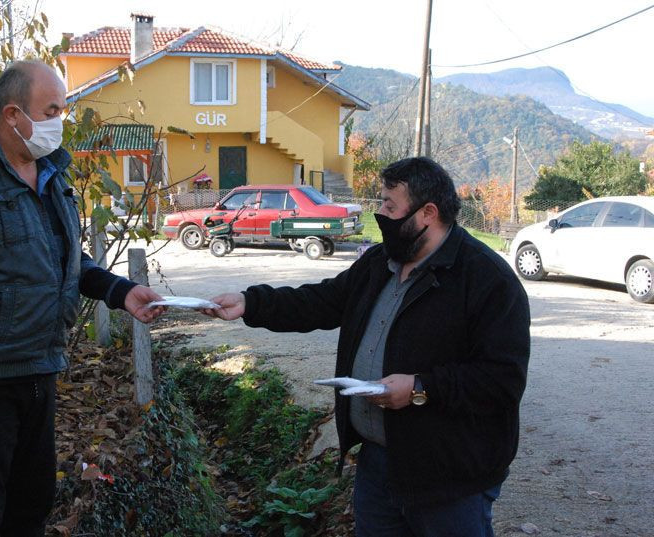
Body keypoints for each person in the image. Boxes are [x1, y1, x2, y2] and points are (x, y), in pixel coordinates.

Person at [0, 60, 165, 536]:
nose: (59, 121)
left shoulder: (49, 174)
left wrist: (121, 292)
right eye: (50, 110)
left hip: (39, 371)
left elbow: (65, 259)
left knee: (31, 506)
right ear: (11, 115)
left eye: (61, 109)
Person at [203, 157, 530, 537]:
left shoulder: (488, 280)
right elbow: (323, 301)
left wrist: (420, 389)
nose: (380, 213)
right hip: (379, 464)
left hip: (450, 477)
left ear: (428, 213)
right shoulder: (382, 262)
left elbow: (502, 380)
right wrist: (251, 303)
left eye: (390, 206)